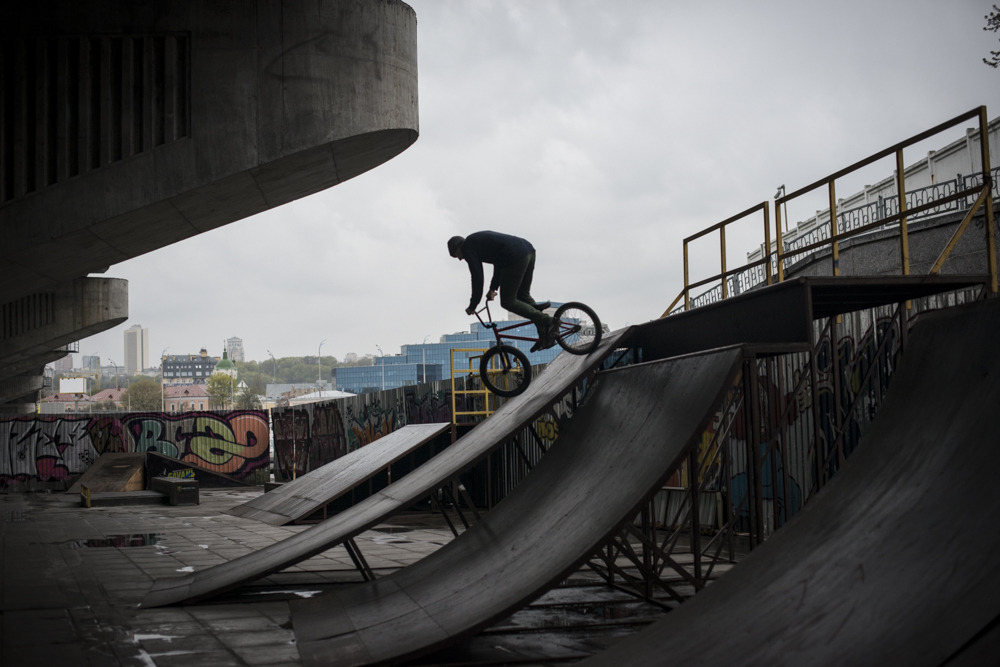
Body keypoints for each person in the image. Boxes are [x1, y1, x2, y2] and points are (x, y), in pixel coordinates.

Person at [448, 231, 559, 351]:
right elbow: (499, 264)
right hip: (528, 250)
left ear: (458, 247)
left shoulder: (468, 248)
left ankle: (548, 321)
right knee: (523, 296)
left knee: (507, 301)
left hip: (515, 256)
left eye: (456, 255)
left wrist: (473, 305)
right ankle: (545, 336)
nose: (459, 259)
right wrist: (492, 289)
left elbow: (477, 278)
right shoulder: (477, 241)